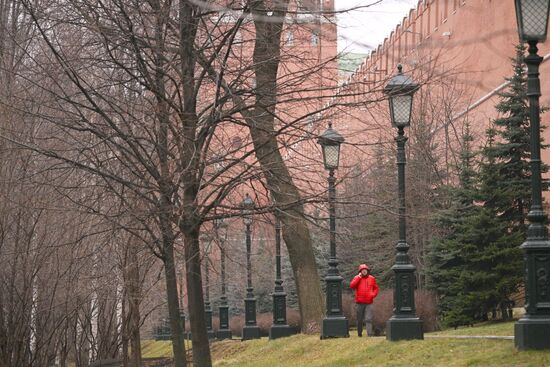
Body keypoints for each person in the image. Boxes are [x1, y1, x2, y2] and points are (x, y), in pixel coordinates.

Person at [349, 264, 379, 337]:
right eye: (362, 270)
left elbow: (376, 288)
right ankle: (359, 334)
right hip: (359, 303)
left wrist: (373, 294)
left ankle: (369, 334)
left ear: (367, 271)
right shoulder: (357, 278)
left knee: (368, 319)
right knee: (359, 320)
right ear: (360, 271)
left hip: (369, 302)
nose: (364, 271)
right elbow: (352, 286)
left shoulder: (372, 278)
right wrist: (358, 278)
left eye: (365, 270)